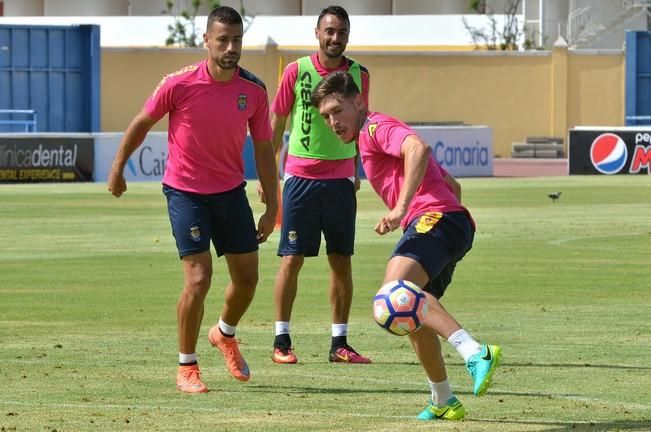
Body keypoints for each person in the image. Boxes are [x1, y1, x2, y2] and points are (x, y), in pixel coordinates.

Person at [311, 71, 501, 420]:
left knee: (395, 294)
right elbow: (449, 182)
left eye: (337, 110)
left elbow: (418, 148)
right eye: (326, 116)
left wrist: (401, 209)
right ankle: (443, 399)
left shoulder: (374, 128)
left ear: (358, 102)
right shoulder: (366, 139)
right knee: (411, 313)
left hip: (436, 219)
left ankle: (475, 352)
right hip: (447, 221)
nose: (333, 121)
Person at [107, 6, 278, 393]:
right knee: (199, 278)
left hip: (231, 193)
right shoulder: (178, 83)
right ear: (206, 41)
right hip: (185, 193)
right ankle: (187, 366)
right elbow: (141, 123)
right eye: (223, 40)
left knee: (248, 279)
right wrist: (118, 168)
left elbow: (265, 149)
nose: (231, 47)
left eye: (236, 40)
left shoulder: (253, 90)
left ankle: (224, 334)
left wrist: (273, 206)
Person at [265, 5, 372, 365]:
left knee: (341, 261)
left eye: (341, 32)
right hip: (300, 180)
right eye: (329, 31)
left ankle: (339, 343)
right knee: (291, 259)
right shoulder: (297, 71)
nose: (335, 38)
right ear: (317, 32)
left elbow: (361, 123)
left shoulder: (359, 74)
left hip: (340, 180)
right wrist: (269, 175)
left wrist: (357, 169)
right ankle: (281, 340)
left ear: (348, 35)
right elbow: (277, 123)